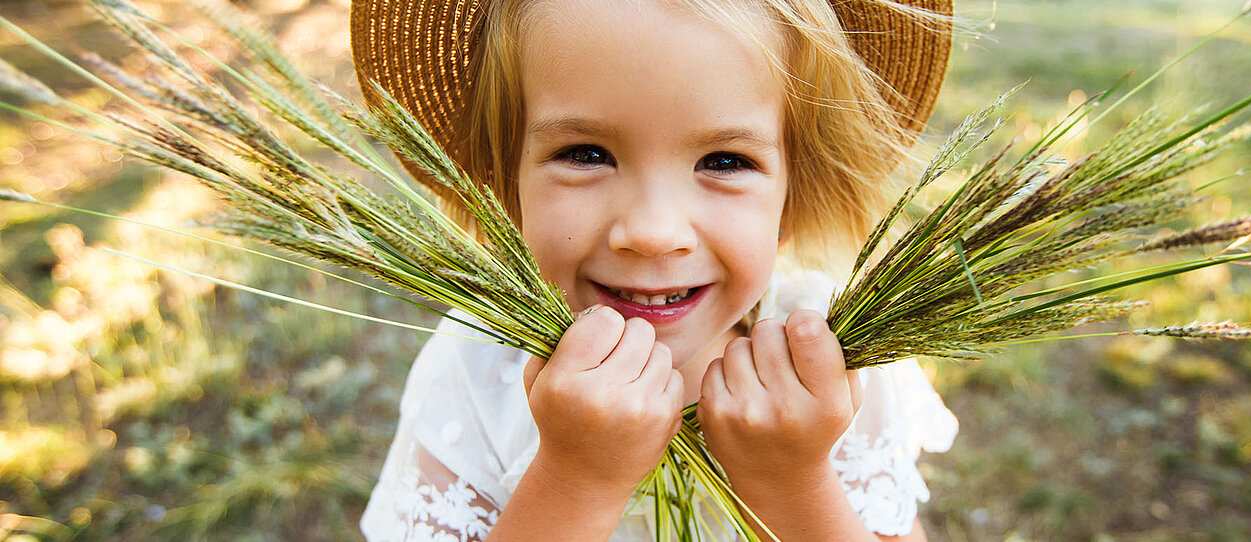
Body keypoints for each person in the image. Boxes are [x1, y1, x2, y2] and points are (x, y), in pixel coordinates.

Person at [351, 0, 961, 540]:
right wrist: (575, 479)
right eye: (586, 154)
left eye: (724, 161)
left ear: (790, 197)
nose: (652, 232)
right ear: (508, 186)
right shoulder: (480, 367)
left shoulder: (833, 358)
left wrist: (794, 484)